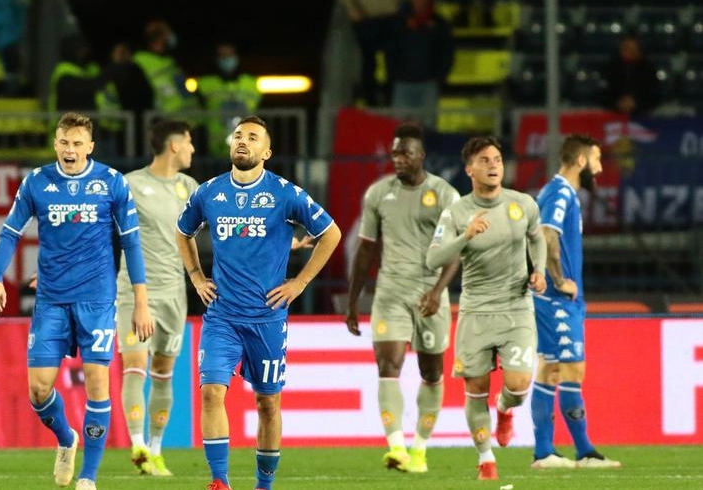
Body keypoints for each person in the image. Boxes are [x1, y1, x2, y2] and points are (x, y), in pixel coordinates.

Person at [0, 112, 154, 490]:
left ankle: (88, 477)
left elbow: (131, 243)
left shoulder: (111, 183)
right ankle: (66, 439)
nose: (70, 150)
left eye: (78, 143)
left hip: (97, 299)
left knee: (97, 381)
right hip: (51, 300)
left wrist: (140, 301)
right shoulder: (37, 182)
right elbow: (10, 232)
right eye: (64, 142)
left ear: (90, 147)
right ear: (55, 144)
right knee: (38, 389)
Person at [176, 115, 342, 490]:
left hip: (267, 318)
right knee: (211, 393)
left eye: (252, 137)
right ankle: (219, 481)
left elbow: (330, 233)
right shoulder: (209, 193)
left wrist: (299, 283)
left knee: (268, 405)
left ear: (266, 151)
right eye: (238, 135)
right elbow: (182, 231)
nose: (243, 141)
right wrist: (196, 276)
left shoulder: (285, 194)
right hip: (222, 317)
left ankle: (263, 486)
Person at [425, 136, 547, 480]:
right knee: (475, 389)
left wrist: (538, 270)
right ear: (469, 169)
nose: (494, 165)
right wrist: (465, 236)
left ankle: (506, 410)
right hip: (476, 312)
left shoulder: (523, 204)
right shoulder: (457, 212)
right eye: (485, 160)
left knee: (519, 384)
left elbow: (536, 237)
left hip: (516, 307)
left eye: (497, 159)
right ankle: (485, 459)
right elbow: (433, 258)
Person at [344, 122, 460, 473]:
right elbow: (366, 249)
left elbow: (455, 251)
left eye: (405, 152)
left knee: (432, 371)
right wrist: (352, 301)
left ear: (421, 156)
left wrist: (439, 292)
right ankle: (397, 447)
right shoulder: (378, 194)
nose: (398, 158)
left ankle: (420, 449)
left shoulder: (445, 194)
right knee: (388, 366)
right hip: (391, 291)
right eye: (394, 152)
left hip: (429, 293)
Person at [530, 134, 622, 469]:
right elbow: (547, 233)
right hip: (556, 299)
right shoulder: (560, 191)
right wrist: (558, 280)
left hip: (557, 299)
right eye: (596, 160)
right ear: (581, 161)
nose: (599, 169)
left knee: (550, 370)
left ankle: (545, 452)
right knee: (570, 370)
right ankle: (583, 452)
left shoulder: (561, 192)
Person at [116, 119, 199, 477]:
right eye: (190, 143)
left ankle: (155, 450)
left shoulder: (190, 188)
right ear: (175, 145)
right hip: (135, 293)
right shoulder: (131, 185)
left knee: (163, 373)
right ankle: (136, 444)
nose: (194, 149)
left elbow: (222, 232)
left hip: (174, 294)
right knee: (134, 367)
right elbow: (101, 233)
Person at [387, 0, 454, 128]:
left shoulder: (440, 25)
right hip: (403, 83)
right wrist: (394, 75)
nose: (419, 0)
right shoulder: (399, 24)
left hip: (428, 84)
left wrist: (440, 78)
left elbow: (447, 52)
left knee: (428, 128)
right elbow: (391, 51)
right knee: (399, 129)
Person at [331, 0, 409, 106]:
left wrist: (405, 2)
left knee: (393, 63)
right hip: (367, 17)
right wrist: (352, 8)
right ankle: (371, 103)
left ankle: (391, 102)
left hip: (392, 16)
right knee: (368, 64)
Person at [196, 41, 262, 157]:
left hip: (248, 150)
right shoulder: (205, 83)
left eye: (230, 55)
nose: (226, 59)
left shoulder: (251, 83)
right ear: (216, 58)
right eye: (222, 55)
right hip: (215, 151)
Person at [134, 19, 200, 116]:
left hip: (190, 118)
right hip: (163, 120)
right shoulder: (139, 60)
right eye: (168, 34)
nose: (171, 37)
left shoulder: (171, 60)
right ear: (160, 37)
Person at [603, 33, 659, 117]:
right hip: (612, 114)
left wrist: (636, 103)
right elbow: (601, 93)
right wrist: (617, 103)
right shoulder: (610, 68)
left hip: (643, 116)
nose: (628, 51)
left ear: (639, 50)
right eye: (625, 48)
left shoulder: (648, 69)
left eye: (632, 49)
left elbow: (655, 95)